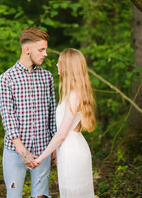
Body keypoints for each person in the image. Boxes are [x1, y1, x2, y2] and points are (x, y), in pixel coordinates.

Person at [0, 27, 57, 198]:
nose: (45, 54)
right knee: (14, 195)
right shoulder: (6, 79)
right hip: (15, 152)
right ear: (27, 49)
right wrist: (23, 152)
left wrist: (53, 149)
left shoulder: (47, 77)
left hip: (43, 150)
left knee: (41, 196)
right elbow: (8, 118)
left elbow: (52, 115)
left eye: (45, 49)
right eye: (41, 50)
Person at [35, 48, 96, 198]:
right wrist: (55, 151)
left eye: (59, 62)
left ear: (68, 66)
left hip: (72, 151)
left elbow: (61, 134)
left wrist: (41, 158)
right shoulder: (72, 93)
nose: (56, 65)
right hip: (70, 148)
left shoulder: (74, 95)